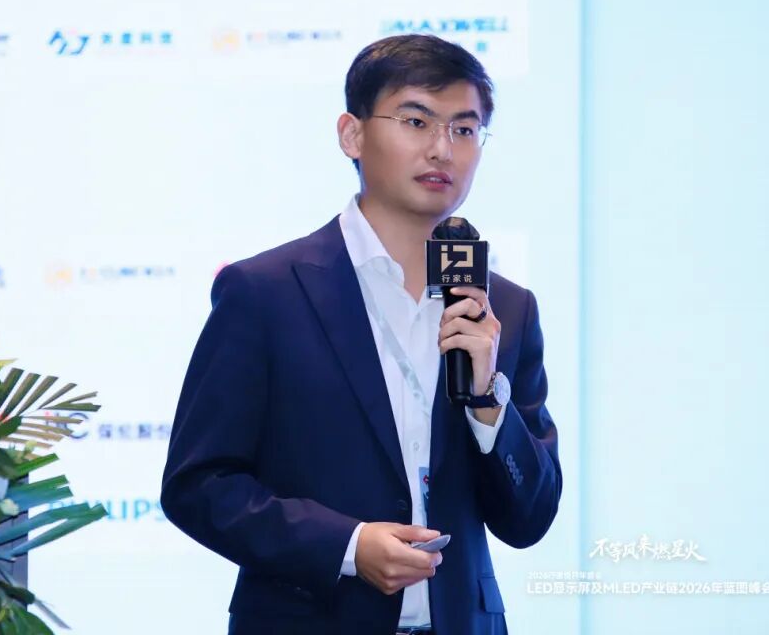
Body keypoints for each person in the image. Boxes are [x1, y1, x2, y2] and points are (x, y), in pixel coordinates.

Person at [161, 34, 562, 635]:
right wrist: (347, 545)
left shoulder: (504, 307)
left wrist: (487, 404)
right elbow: (199, 485)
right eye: (416, 121)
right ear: (352, 134)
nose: (442, 149)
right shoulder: (266, 291)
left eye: (464, 129)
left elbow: (530, 518)